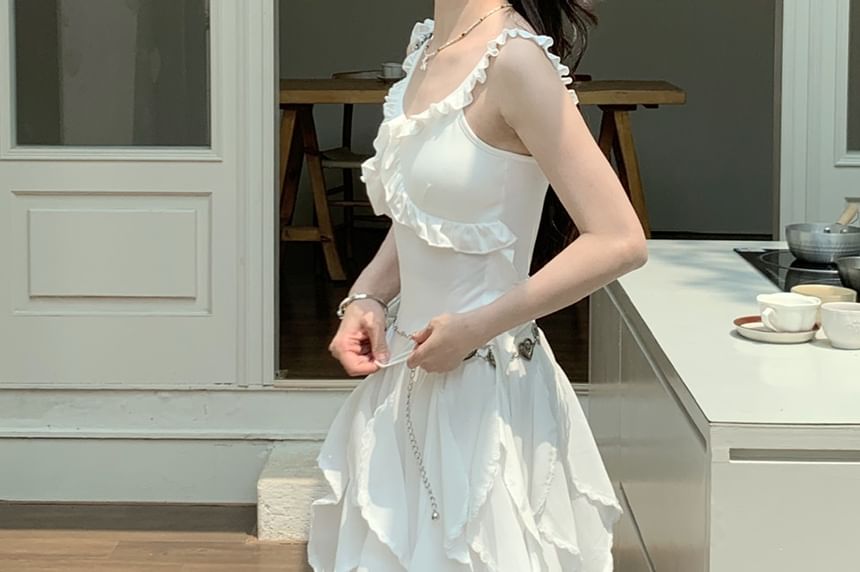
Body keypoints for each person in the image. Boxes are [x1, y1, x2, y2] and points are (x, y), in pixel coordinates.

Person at [307, 1, 648, 570]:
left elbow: (619, 240)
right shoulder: (427, 47)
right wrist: (368, 295)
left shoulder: (516, 62)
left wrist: (475, 329)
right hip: (406, 383)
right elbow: (424, 214)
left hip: (487, 396)